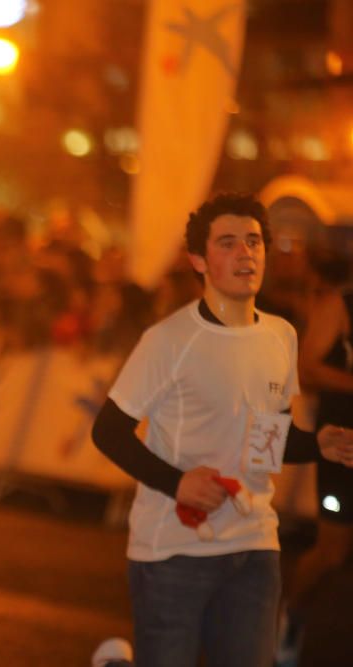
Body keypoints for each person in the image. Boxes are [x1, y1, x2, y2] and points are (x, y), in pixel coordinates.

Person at [91, 193, 353, 667]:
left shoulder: (281, 336)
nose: (245, 253)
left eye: (253, 242)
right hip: (172, 548)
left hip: (254, 546)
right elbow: (108, 431)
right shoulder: (168, 340)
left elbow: (266, 440)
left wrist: (318, 445)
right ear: (199, 259)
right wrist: (179, 483)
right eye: (228, 243)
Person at [276, 253, 353, 665]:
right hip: (344, 447)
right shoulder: (342, 303)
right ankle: (292, 616)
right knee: (332, 553)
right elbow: (306, 368)